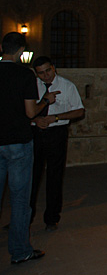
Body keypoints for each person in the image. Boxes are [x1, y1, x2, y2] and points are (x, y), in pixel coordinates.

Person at [0, 32, 46, 264]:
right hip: (18, 142)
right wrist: (45, 102)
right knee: (19, 200)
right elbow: (30, 112)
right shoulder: (24, 75)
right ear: (20, 51)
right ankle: (20, 251)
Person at [30, 56, 85, 231]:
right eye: (41, 73)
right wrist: (36, 119)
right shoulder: (32, 85)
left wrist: (56, 117)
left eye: (48, 71)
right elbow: (25, 110)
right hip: (36, 132)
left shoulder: (67, 86)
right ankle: (25, 217)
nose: (46, 76)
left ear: (54, 68)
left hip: (56, 132)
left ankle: (52, 217)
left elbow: (79, 111)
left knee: (54, 176)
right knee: (31, 177)